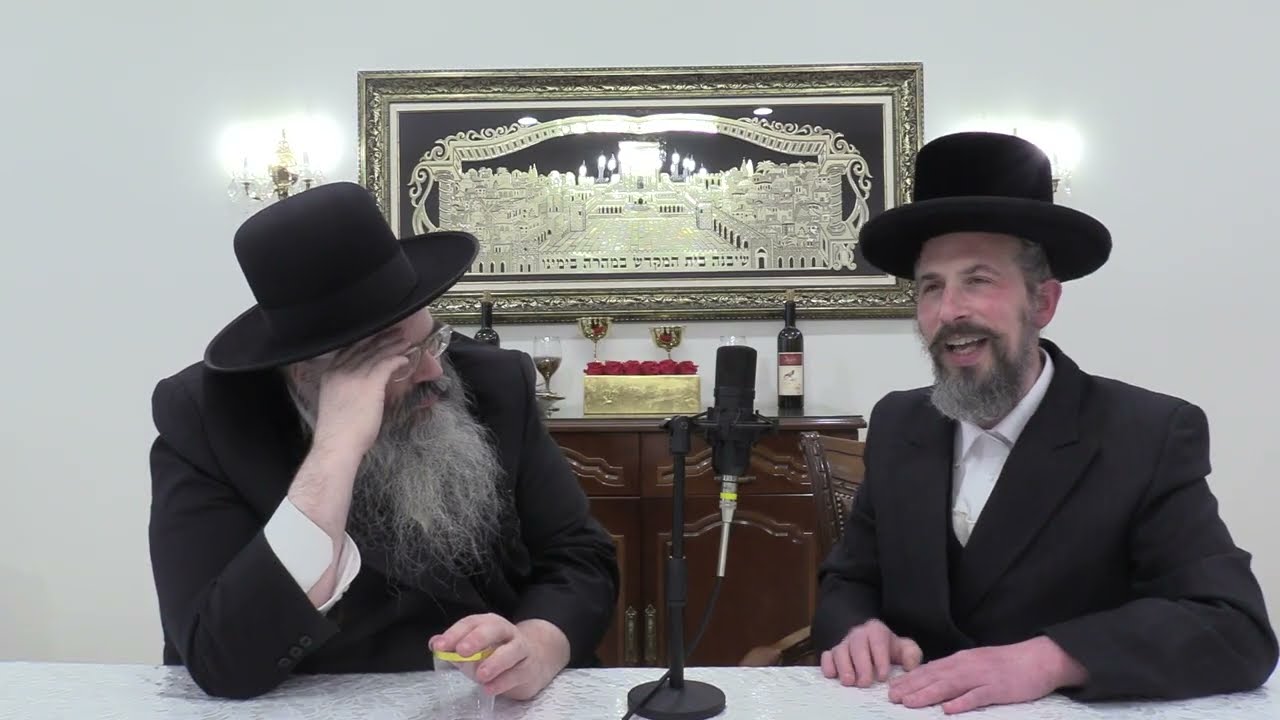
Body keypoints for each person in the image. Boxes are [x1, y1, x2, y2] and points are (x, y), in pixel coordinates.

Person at [812, 132, 1277, 713]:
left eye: (978, 280)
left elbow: (1233, 627)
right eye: (931, 287)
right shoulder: (897, 422)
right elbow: (850, 580)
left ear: (1043, 303)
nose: (950, 310)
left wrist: (1051, 659)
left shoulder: (1149, 434)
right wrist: (857, 628)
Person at [147, 182, 619, 700]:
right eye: (399, 360)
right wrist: (336, 448)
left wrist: (538, 643)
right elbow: (220, 657)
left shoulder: (494, 381)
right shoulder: (206, 420)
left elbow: (580, 556)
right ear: (308, 374)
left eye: (432, 338)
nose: (434, 370)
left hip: (489, 700)